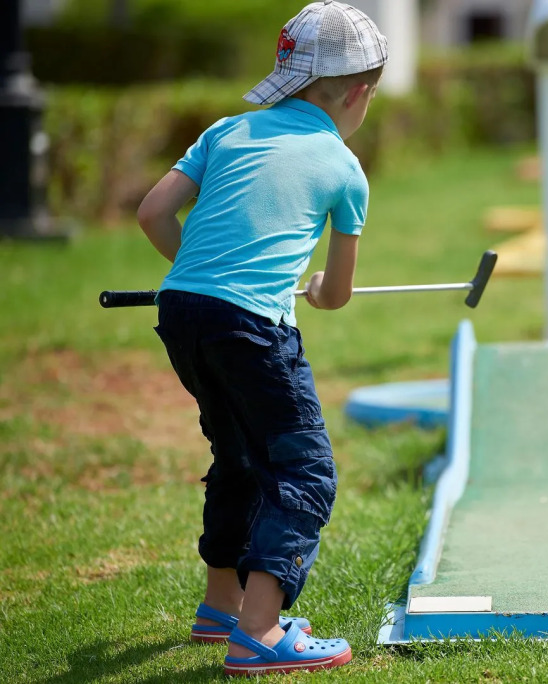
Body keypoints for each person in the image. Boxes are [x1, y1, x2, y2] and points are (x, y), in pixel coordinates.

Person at [135, 1, 387, 676]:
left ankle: (221, 608)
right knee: (304, 471)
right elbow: (334, 294)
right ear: (359, 93)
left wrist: (206, 276)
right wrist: (313, 289)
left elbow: (153, 213)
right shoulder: (343, 167)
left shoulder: (226, 130)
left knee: (239, 456)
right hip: (252, 327)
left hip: (182, 311)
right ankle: (259, 631)